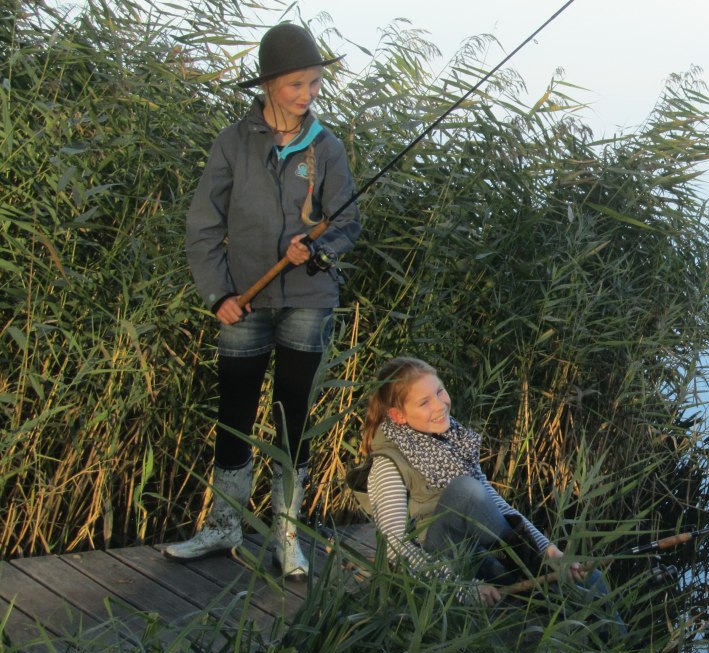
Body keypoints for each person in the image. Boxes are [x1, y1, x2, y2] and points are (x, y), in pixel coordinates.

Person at [164, 23, 360, 580]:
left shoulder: (327, 147)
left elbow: (347, 222)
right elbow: (203, 225)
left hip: (308, 300)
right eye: (297, 84)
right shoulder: (233, 143)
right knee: (234, 414)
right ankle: (223, 526)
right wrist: (218, 295)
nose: (308, 94)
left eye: (314, 83)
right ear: (269, 83)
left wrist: (316, 250)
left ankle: (286, 536)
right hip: (243, 302)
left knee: (291, 416)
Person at [355, 357, 605, 607]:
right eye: (424, 402)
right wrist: (459, 588)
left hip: (476, 552)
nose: (440, 405)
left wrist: (550, 550)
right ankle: (530, 565)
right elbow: (394, 546)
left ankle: (538, 567)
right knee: (465, 489)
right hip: (435, 569)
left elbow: (495, 504)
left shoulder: (451, 440)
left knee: (593, 579)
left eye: (440, 391)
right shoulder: (387, 463)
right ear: (398, 415)